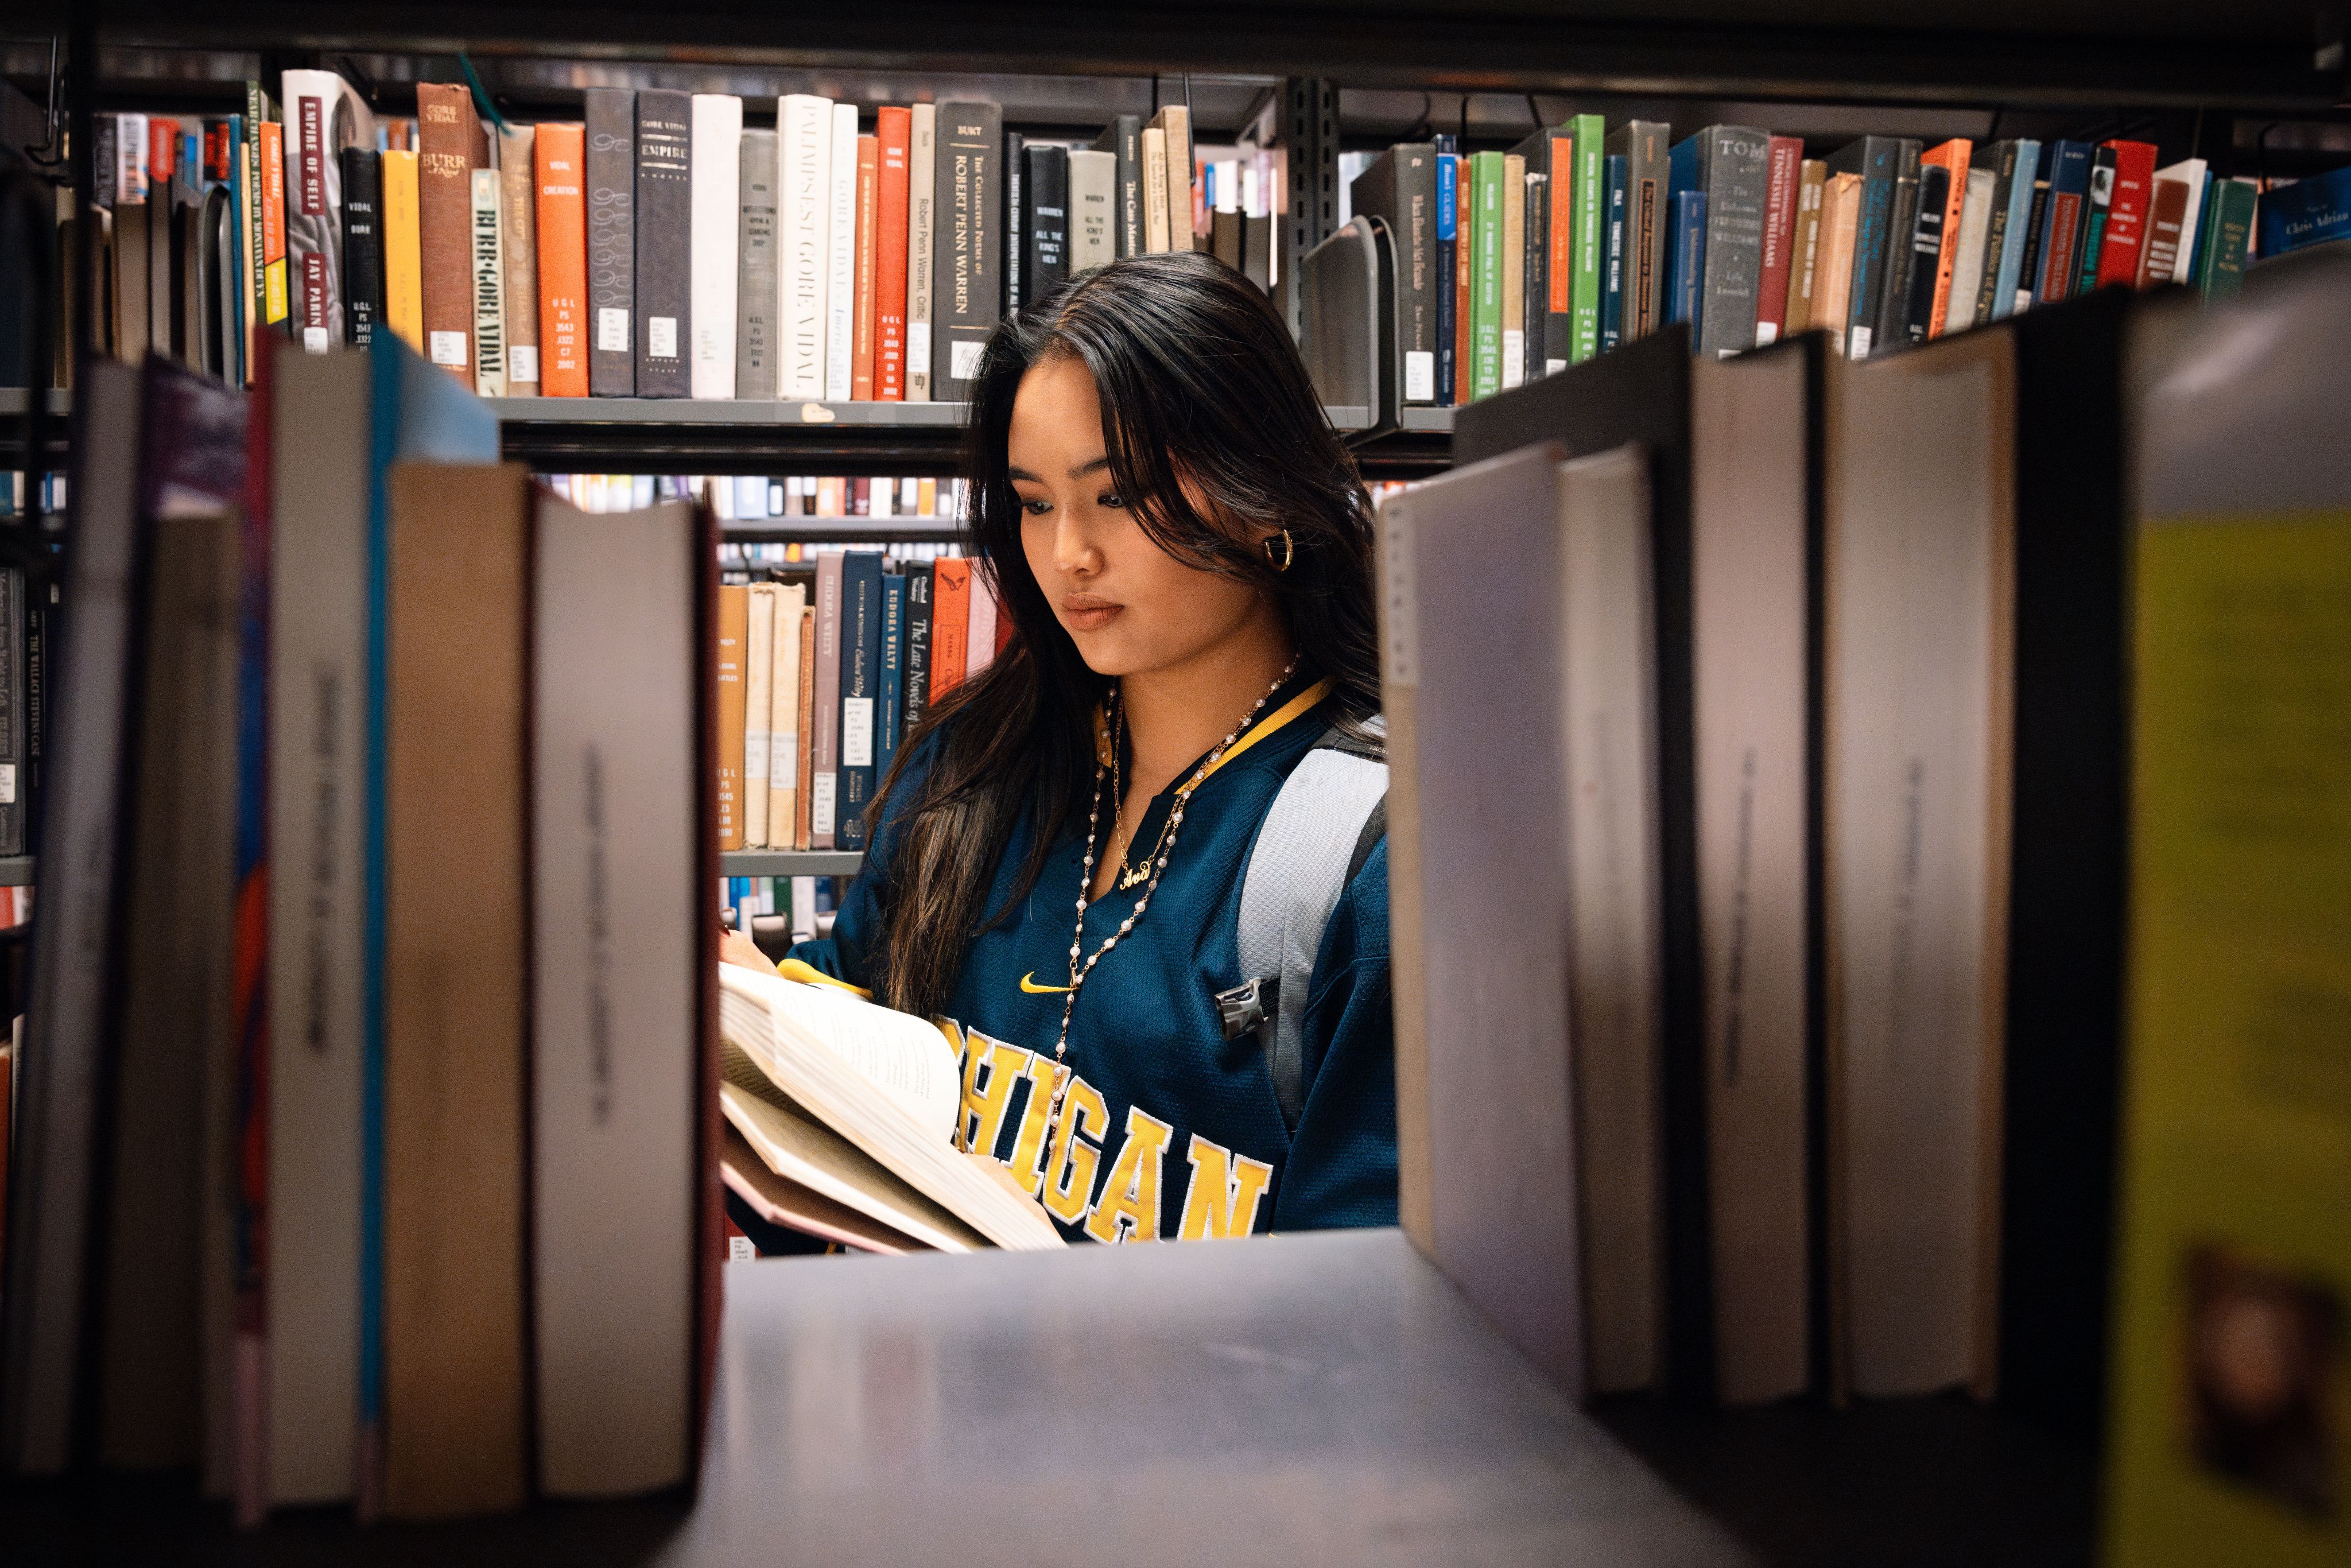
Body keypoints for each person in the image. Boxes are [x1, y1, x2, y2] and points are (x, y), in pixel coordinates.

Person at [787, 251, 1395, 1243]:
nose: (1068, 552)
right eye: (1033, 503)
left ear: (1262, 489)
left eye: (1115, 495)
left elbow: (1380, 1304)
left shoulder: (1369, 859)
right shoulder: (973, 770)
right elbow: (847, 1024)